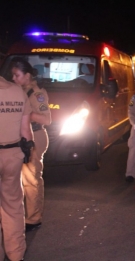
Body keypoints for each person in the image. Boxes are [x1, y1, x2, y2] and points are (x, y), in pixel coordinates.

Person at [11, 58, 51, 232]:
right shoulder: (21, 90)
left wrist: (26, 113)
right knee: (23, 178)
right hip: (24, 136)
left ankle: (34, 218)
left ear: (27, 76)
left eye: (17, 75)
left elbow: (47, 119)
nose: (14, 78)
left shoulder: (36, 93)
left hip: (35, 135)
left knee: (31, 179)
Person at [0, 76, 33, 261]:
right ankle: (15, 254)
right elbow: (26, 132)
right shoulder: (17, 91)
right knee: (12, 206)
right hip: (12, 154)